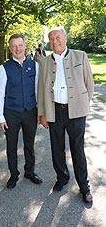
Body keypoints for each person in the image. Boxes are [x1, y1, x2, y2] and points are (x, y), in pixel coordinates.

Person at [38, 27, 94, 204]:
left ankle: (84, 187)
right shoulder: (45, 61)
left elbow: (89, 83)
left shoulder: (80, 55)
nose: (55, 41)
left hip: (76, 111)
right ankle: (62, 179)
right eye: (51, 38)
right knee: (57, 148)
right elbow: (41, 89)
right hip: (55, 111)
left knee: (78, 150)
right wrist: (42, 114)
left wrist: (83, 104)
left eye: (58, 37)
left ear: (65, 38)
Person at [0, 33, 42, 189]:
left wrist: (39, 112)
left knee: (29, 144)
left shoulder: (34, 65)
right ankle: (13, 175)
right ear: (10, 49)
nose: (17, 48)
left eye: (20, 45)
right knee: (11, 145)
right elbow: (0, 93)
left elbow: (37, 90)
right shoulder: (4, 68)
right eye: (14, 46)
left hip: (30, 111)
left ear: (25, 46)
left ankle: (29, 171)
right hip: (11, 113)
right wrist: (1, 117)